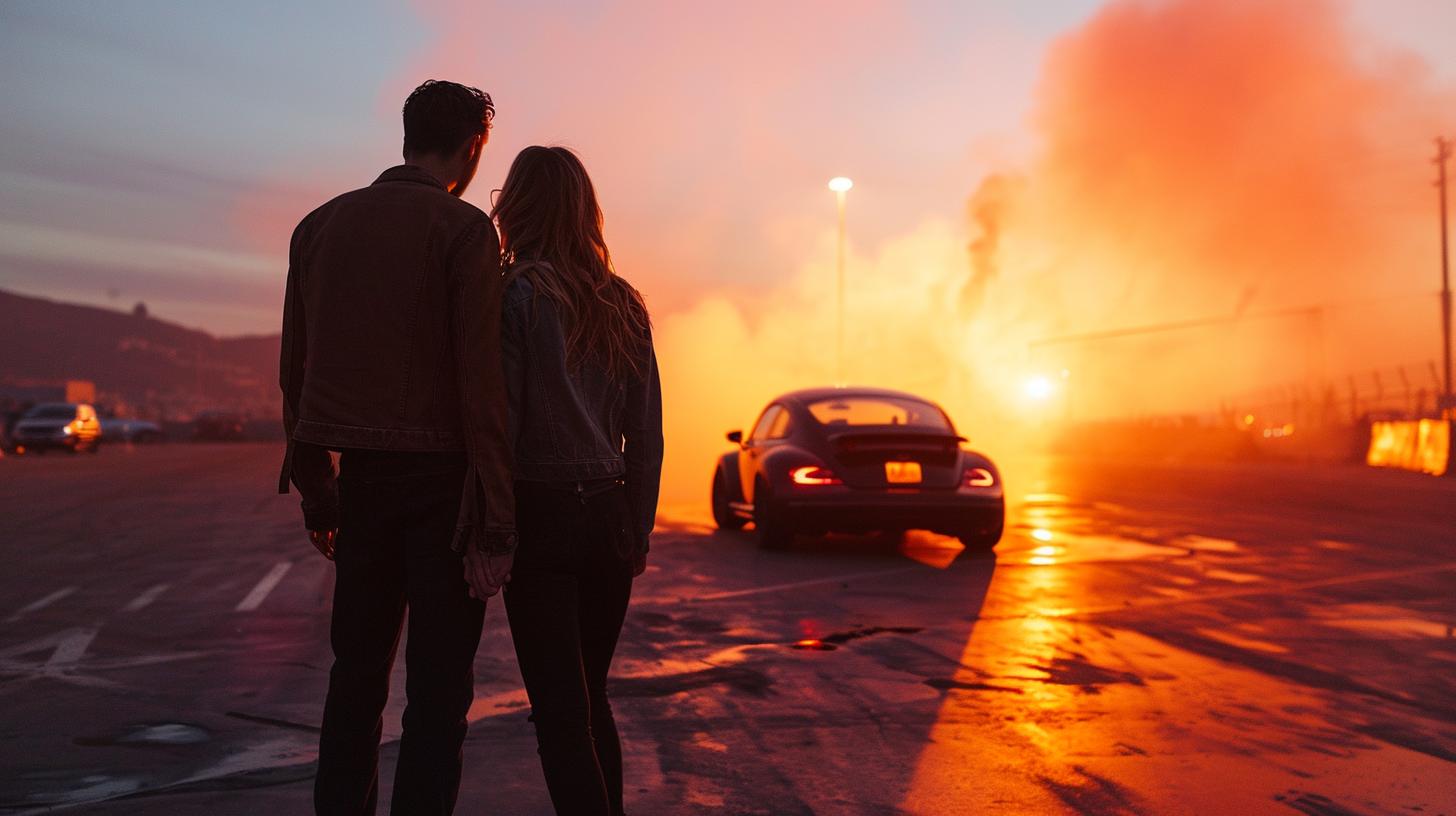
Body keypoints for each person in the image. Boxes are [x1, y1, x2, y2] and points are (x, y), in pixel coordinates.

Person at [278, 79, 517, 816]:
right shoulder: (466, 231)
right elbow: (483, 383)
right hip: (444, 488)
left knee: (355, 679)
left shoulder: (319, 226)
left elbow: (297, 372)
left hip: (365, 484)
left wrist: (321, 491)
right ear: (473, 144)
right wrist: (498, 519)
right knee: (438, 694)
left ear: (408, 135)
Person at [492, 146, 663, 816]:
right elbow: (644, 433)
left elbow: (500, 427)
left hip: (542, 516)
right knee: (592, 699)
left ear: (521, 208)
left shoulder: (516, 297)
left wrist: (492, 528)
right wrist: (639, 528)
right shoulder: (624, 302)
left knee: (561, 713)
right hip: (610, 519)